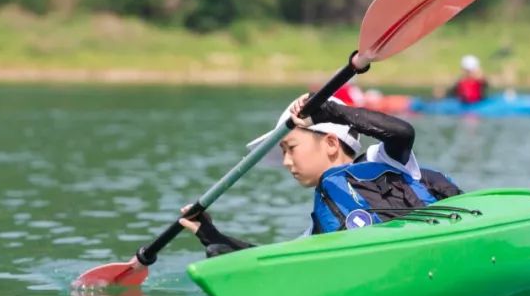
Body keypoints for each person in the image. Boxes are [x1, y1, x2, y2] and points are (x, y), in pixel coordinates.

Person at [180, 94, 461, 257]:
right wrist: (210, 234)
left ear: (330, 143)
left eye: (290, 149)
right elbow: (272, 260)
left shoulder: (382, 162)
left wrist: (332, 111)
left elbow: (403, 133)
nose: (287, 162)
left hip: (430, 252)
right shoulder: (321, 222)